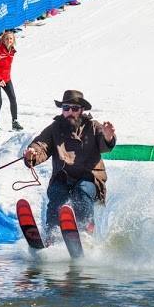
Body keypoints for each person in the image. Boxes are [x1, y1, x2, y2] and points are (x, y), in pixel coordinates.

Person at [24, 89, 116, 233]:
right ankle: (51, 234)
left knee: (82, 191)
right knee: (56, 193)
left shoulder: (93, 126)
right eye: (66, 108)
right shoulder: (54, 128)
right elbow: (41, 145)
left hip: (89, 177)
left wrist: (108, 137)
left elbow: (104, 144)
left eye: (74, 109)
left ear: (82, 110)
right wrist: (32, 154)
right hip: (63, 177)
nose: (70, 112)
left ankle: (86, 233)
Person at [0, 30, 21, 132]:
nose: (8, 40)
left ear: (13, 40)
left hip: (6, 78)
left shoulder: (12, 51)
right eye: (6, 38)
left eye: (11, 38)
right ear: (2, 39)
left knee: (13, 99)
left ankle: (15, 122)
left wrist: (4, 78)